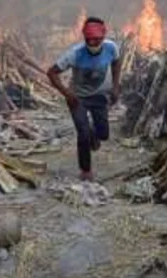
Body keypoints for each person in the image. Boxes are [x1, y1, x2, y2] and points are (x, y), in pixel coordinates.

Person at [47, 17, 121, 181]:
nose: (93, 43)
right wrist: (67, 94)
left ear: (103, 37)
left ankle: (94, 135)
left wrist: (115, 87)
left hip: (100, 96)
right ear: (85, 38)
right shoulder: (75, 54)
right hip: (77, 98)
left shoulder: (111, 48)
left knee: (103, 135)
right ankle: (85, 170)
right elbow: (52, 72)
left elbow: (116, 63)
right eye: (90, 40)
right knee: (83, 133)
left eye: (97, 40)